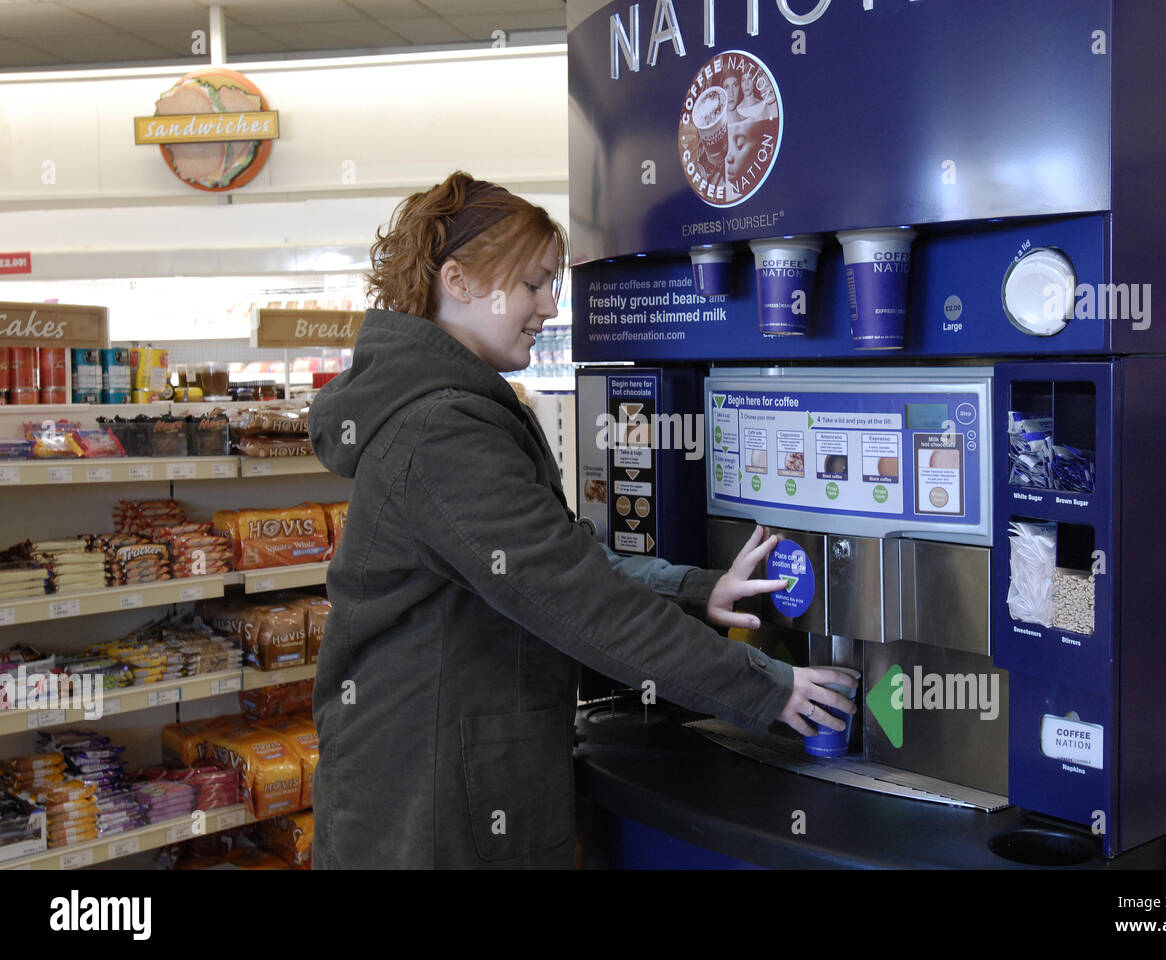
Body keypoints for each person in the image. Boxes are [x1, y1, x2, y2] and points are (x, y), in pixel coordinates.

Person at [307, 172, 856, 869]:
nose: (547, 307)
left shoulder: (453, 407)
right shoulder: (440, 429)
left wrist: (696, 591)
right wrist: (764, 687)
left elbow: (553, 558)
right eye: (532, 285)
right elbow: (577, 599)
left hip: (433, 776)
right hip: (429, 801)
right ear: (460, 280)